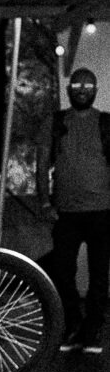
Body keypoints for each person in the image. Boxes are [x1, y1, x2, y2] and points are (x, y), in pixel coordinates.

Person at [36, 67, 110, 354]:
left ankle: (93, 331)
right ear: (69, 88)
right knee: (63, 273)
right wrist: (44, 201)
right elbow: (42, 164)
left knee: (99, 276)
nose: (82, 89)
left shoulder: (105, 123)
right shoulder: (55, 122)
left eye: (88, 85)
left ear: (95, 90)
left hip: (102, 211)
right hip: (65, 212)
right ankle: (72, 326)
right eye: (77, 84)